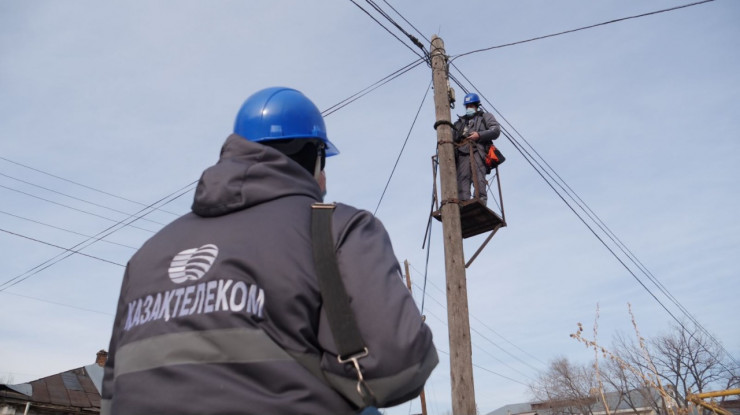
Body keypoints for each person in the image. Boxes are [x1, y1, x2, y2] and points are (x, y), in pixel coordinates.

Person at [101, 87, 438, 414]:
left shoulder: (146, 256)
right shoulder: (336, 227)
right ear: (316, 158)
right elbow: (398, 367)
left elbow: (111, 396)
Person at [453, 92, 501, 205]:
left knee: (479, 176)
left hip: (478, 151)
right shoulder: (460, 123)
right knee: (462, 177)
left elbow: (495, 130)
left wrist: (479, 135)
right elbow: (452, 138)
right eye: (467, 106)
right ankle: (463, 201)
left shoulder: (485, 117)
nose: (469, 108)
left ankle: (480, 200)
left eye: (471, 105)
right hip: (462, 152)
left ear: (476, 105)